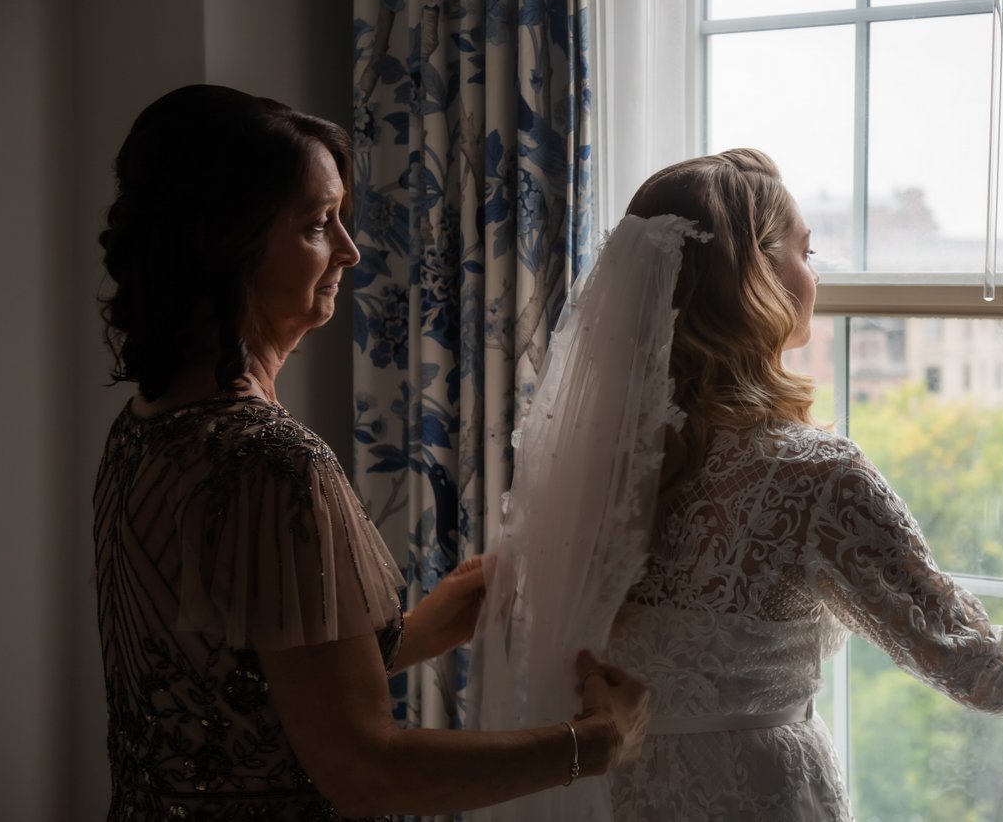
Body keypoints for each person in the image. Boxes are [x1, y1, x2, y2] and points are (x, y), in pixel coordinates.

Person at [93, 84, 649, 821]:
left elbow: (235, 682)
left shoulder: (144, 427)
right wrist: (594, 744)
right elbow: (368, 770)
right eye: (320, 224)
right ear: (226, 241)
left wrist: (425, 628)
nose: (351, 252)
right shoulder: (276, 462)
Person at [557, 149, 1003, 820]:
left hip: (623, 797)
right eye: (805, 253)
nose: (814, 275)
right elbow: (980, 669)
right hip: (755, 798)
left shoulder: (599, 475)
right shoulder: (816, 477)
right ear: (755, 277)